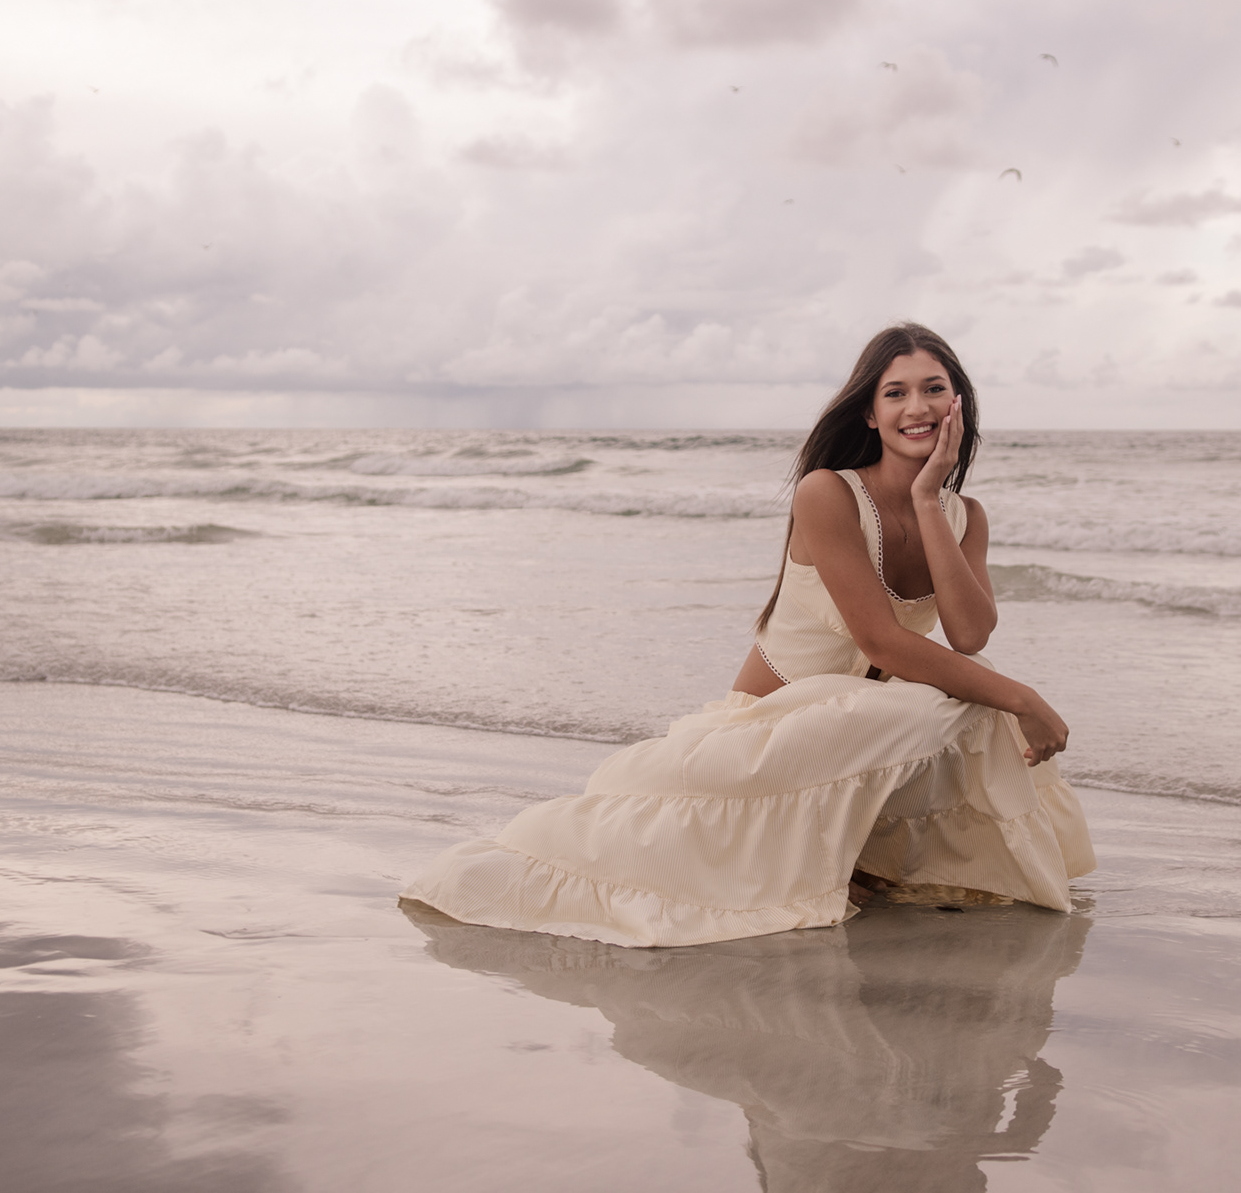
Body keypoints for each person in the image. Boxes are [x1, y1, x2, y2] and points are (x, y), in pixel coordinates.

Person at [401, 323, 1094, 947]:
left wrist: (927, 501)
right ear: (870, 412)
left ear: (958, 406)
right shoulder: (826, 493)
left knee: (964, 696)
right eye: (896, 392)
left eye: (934, 389)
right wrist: (1023, 696)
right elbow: (883, 645)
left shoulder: (964, 512)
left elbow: (969, 635)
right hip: (764, 731)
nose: (916, 407)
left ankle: (880, 854)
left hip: (866, 732)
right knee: (949, 696)